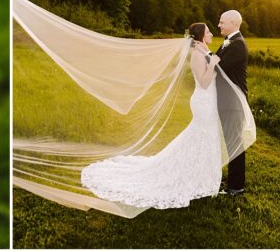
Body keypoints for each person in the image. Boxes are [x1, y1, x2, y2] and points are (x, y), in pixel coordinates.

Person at [80, 23, 241, 210]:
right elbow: (204, 83)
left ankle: (202, 176)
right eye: (208, 32)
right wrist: (213, 64)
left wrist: (211, 58)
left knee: (205, 138)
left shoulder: (202, 50)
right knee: (201, 136)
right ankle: (192, 175)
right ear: (200, 36)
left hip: (209, 102)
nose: (212, 33)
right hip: (203, 102)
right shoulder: (196, 56)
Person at [216, 9, 249, 195]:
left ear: (234, 23)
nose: (219, 25)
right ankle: (232, 182)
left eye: (222, 22)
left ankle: (236, 186)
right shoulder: (229, 42)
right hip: (226, 101)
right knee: (230, 141)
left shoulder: (237, 45)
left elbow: (218, 67)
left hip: (233, 102)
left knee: (235, 143)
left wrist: (202, 53)